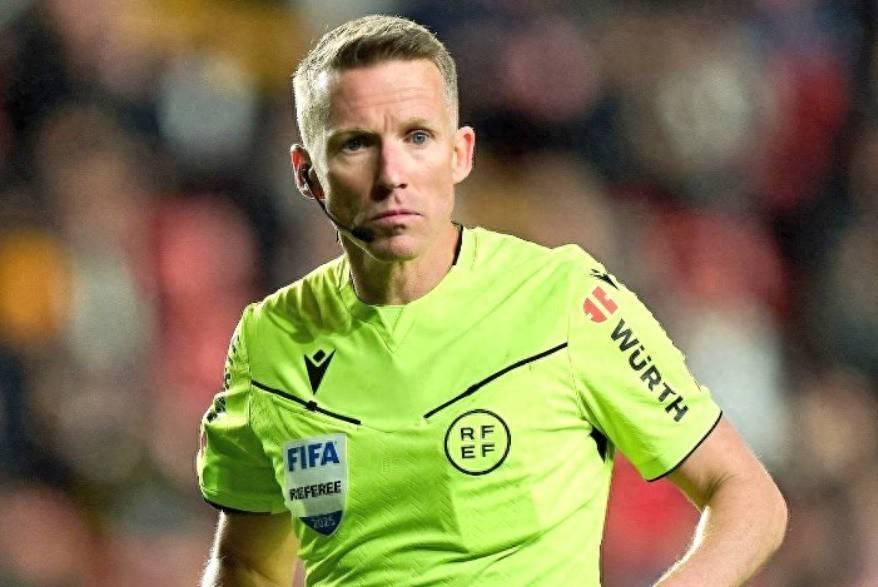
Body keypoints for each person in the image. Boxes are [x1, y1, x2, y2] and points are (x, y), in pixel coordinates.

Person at [197, 14, 787, 586]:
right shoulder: (270, 341)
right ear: (308, 174)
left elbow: (747, 497)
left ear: (461, 154)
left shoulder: (565, 300)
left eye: (417, 137)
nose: (392, 173)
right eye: (356, 144)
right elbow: (248, 566)